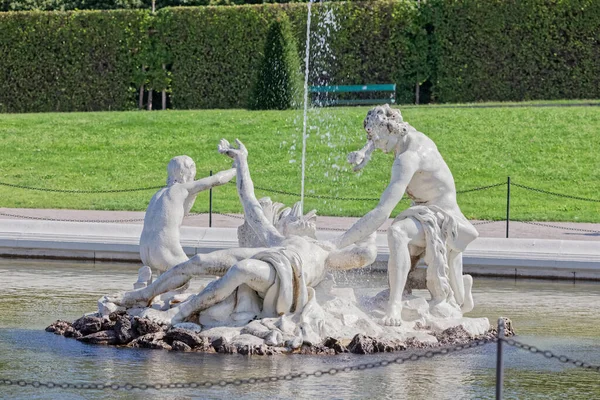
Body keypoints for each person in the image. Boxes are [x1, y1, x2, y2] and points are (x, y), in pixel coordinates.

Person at [120, 139, 376, 326]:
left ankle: (178, 313)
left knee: (242, 270)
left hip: (282, 272)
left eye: (305, 220)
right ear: (283, 226)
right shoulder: (277, 238)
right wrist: (242, 160)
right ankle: (142, 295)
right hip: (270, 255)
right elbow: (249, 201)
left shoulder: (328, 248)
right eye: (292, 217)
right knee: (199, 261)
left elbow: (363, 255)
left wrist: (372, 234)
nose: (302, 219)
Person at [335, 104, 478, 326]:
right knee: (405, 230)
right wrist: (366, 153)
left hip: (442, 218)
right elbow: (382, 138)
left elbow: (382, 212)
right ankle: (454, 292)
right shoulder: (406, 135)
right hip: (425, 209)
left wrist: (340, 243)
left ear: (389, 129)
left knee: (398, 231)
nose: (376, 144)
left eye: (375, 137)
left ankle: (394, 305)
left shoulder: (408, 158)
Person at [139, 155, 236, 275]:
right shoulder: (181, 189)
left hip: (144, 252)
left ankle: (153, 289)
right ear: (186, 172)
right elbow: (217, 179)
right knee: (192, 271)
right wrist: (236, 169)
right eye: (193, 168)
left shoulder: (159, 194)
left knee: (166, 280)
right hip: (163, 251)